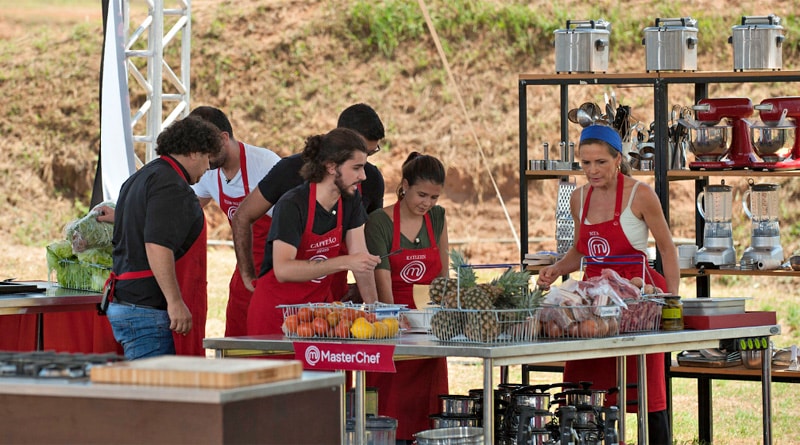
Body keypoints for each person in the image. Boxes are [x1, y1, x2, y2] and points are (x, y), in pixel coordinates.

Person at [536, 124, 679, 444]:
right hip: (593, 302)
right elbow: (582, 251)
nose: (592, 170)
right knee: (582, 389)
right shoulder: (578, 198)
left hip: (635, 300)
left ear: (618, 159)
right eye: (585, 163)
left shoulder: (640, 194)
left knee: (645, 392)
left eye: (600, 162)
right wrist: (556, 269)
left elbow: (668, 249)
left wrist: (672, 301)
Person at [232, 103, 386, 297]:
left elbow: (365, 245)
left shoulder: (358, 190)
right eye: (357, 164)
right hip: (280, 296)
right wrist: (247, 274)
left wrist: (371, 305)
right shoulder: (290, 184)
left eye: (370, 154)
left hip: (329, 293)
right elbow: (244, 217)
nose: (363, 173)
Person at [101, 116, 223, 360]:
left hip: (126, 301)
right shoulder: (171, 186)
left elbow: (140, 225)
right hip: (147, 310)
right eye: (207, 158)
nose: (208, 167)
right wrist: (175, 301)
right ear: (193, 153)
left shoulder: (141, 177)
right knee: (153, 395)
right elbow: (157, 245)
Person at [246, 128, 380, 335]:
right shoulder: (292, 204)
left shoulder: (350, 200)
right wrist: (344, 262)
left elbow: (361, 261)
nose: (363, 176)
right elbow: (283, 270)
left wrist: (375, 312)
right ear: (331, 167)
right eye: (356, 168)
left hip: (317, 318)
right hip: (276, 316)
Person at [364, 152, 450, 442]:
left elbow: (442, 274)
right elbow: (382, 280)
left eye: (434, 197)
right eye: (422, 194)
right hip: (394, 327)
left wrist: (438, 315)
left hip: (430, 327)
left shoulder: (437, 218)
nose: (427, 203)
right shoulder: (379, 222)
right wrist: (395, 320)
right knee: (392, 415)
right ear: (404, 185)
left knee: (429, 413)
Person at [188, 106, 281, 336]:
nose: (204, 159)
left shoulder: (266, 164)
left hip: (277, 272)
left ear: (224, 138)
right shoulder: (207, 171)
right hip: (244, 272)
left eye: (206, 150)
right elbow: (185, 208)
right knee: (236, 344)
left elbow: (296, 221)